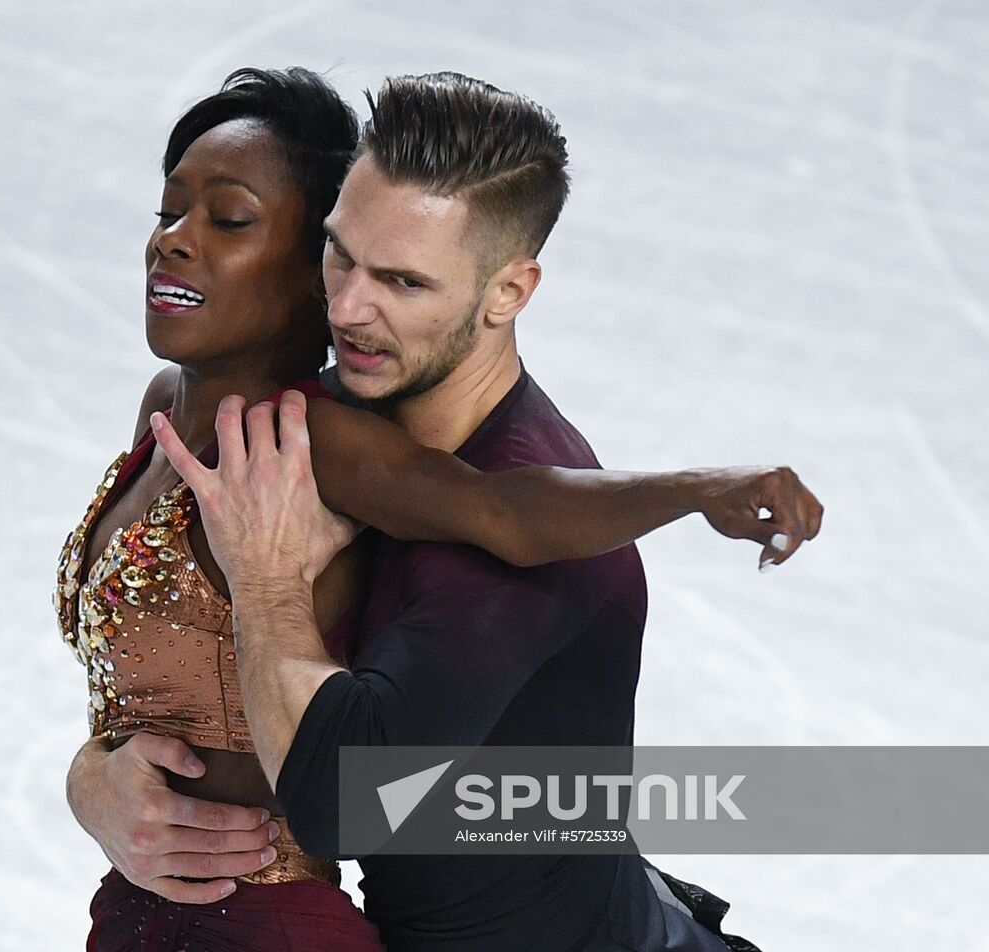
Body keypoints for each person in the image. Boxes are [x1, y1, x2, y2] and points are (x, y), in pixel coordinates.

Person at [63, 68, 820, 951]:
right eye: (339, 255)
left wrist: (267, 579)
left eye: (403, 282)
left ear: (507, 292)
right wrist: (96, 777)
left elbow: (342, 801)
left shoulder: (511, 549)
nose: (346, 307)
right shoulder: (306, 430)